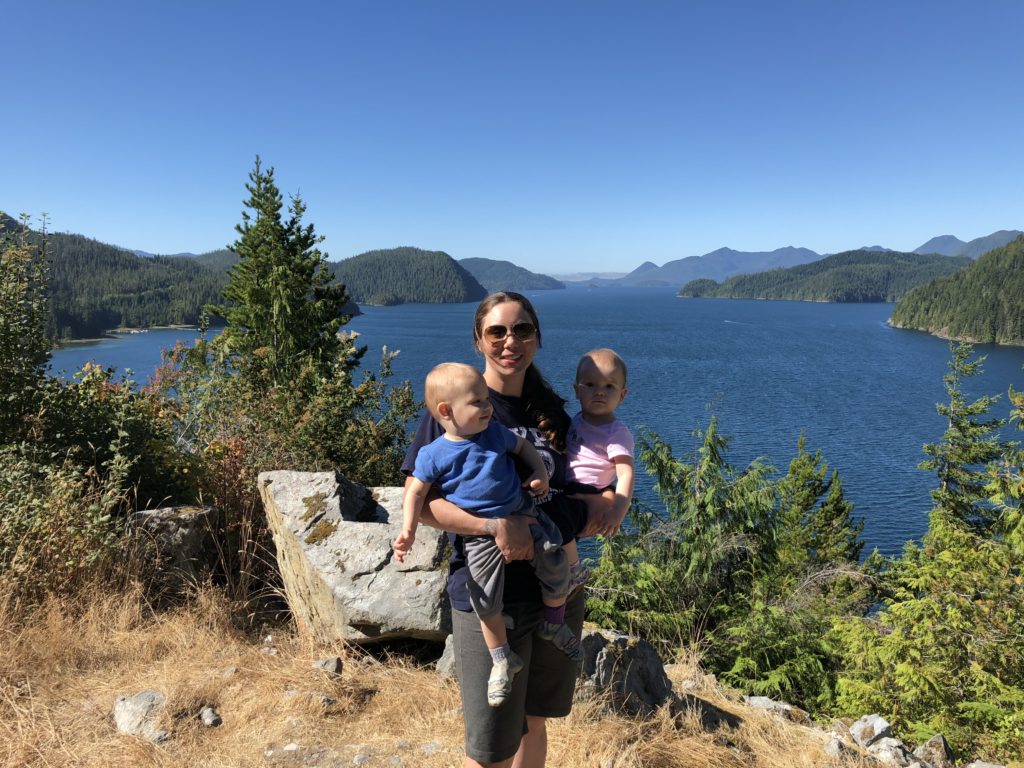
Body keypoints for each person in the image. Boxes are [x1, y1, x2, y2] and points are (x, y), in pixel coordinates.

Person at [402, 291, 618, 768]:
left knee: (536, 719)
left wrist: (611, 501)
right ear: (478, 340)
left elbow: (578, 486)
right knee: (493, 744)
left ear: (537, 338)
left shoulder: (554, 413)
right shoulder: (455, 407)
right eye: (496, 331)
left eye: (522, 329)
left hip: (553, 593)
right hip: (487, 594)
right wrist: (495, 525)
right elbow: (424, 504)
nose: (509, 341)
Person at [393, 362, 578, 708]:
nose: (487, 407)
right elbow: (416, 494)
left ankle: (554, 623)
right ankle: (501, 658)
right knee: (484, 598)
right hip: (480, 538)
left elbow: (524, 449)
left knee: (557, 566)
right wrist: (408, 530)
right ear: (446, 411)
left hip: (528, 514)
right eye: (477, 402)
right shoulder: (434, 452)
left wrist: (540, 473)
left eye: (486, 399)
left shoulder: (493, 431)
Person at [562, 348, 635, 587]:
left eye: (609, 387)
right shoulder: (576, 420)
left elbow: (625, 474)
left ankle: (575, 571)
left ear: (622, 395)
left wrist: (618, 511)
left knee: (557, 524)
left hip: (589, 494)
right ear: (577, 390)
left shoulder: (616, 433)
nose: (599, 392)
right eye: (591, 384)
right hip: (567, 489)